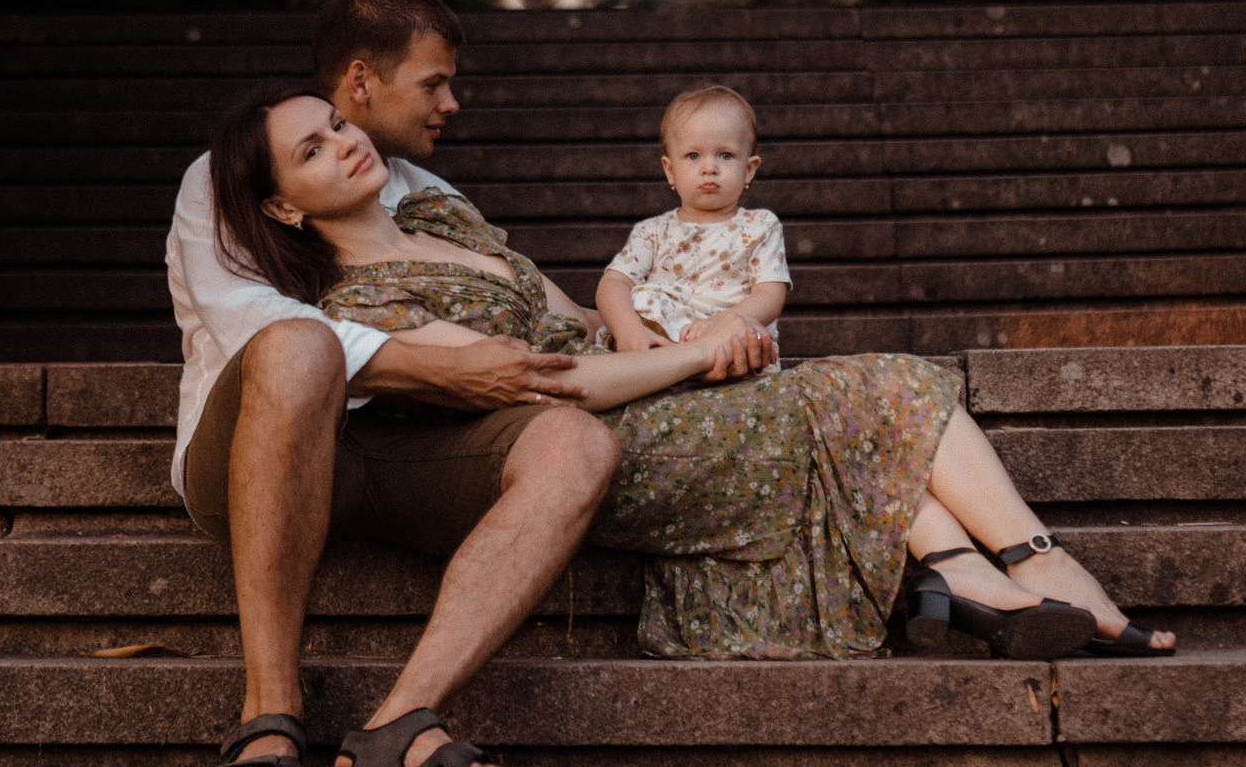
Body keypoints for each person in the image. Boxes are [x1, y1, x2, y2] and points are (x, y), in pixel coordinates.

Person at [213, 81, 1178, 670]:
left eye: (338, 122)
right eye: (312, 149)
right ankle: (1017, 566)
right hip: (591, 435)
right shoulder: (351, 298)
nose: (345, 141)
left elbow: (579, 314)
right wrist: (690, 351)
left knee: (838, 390)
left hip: (644, 377)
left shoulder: (444, 221)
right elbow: (543, 383)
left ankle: (979, 572)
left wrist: (661, 324)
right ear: (283, 207)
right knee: (871, 384)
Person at [164, 0, 774, 767]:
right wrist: (444, 368)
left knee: (576, 441)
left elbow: (539, 307)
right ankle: (272, 709)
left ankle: (398, 722)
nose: (452, 102)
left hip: (408, 446)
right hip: (264, 446)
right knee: (301, 346)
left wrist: (656, 333)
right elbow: (255, 329)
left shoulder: (424, 193)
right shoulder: (224, 177)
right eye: (433, 82)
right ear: (361, 78)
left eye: (335, 131)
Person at [596, 84, 790, 359]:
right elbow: (612, 283)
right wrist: (627, 328)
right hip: (660, 335)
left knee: (747, 336)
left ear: (748, 170)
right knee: (638, 301)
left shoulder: (760, 226)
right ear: (670, 170)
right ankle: (653, 354)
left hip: (726, 339)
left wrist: (724, 322)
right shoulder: (652, 232)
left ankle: (695, 363)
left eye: (725, 155)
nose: (709, 167)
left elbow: (770, 294)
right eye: (693, 155)